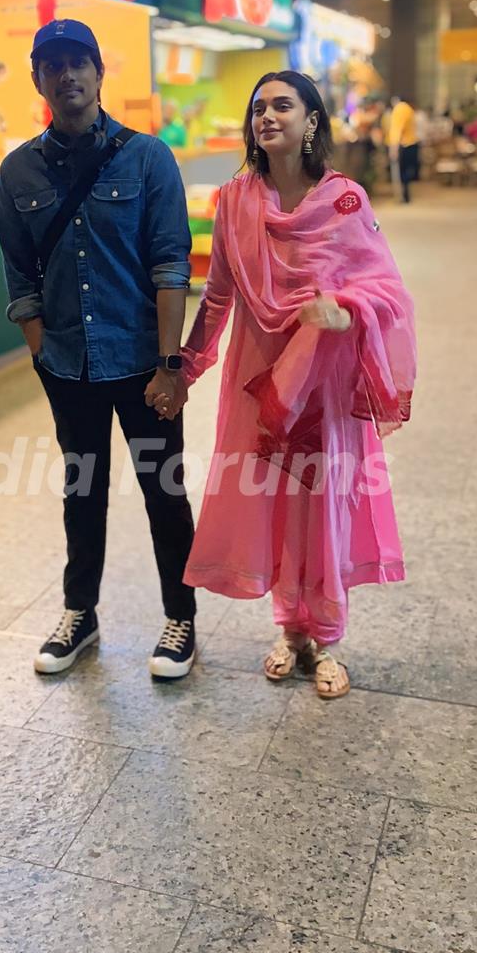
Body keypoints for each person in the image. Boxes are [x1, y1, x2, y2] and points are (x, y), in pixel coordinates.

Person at [153, 71, 416, 700]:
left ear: (312, 121)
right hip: (258, 378)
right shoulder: (236, 200)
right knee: (272, 501)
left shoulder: (344, 200)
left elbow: (388, 291)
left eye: (282, 105)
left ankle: (326, 636)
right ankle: (289, 630)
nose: (266, 116)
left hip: (323, 381)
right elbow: (218, 295)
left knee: (320, 503)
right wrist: (186, 367)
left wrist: (345, 311)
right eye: (258, 108)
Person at [0, 19, 197, 679]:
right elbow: (19, 275)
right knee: (82, 492)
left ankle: (180, 617)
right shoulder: (17, 169)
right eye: (53, 66)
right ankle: (80, 614)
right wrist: (40, 350)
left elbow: (172, 265)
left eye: (79, 61)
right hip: (68, 366)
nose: (68, 75)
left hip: (145, 365)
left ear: (99, 72)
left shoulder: (149, 158)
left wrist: (171, 365)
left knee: (163, 491)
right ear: (38, 80)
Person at [387, 97, 419, 203]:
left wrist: (393, 147)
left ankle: (403, 196)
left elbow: (397, 129)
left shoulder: (399, 109)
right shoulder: (409, 109)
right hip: (412, 143)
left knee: (401, 174)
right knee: (407, 173)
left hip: (403, 145)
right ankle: (406, 195)